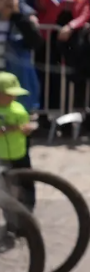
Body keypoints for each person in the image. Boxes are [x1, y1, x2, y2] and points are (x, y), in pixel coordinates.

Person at [0, 73, 33, 206]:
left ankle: (29, 210)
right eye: (8, 94)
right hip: (1, 157)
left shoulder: (19, 109)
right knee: (5, 187)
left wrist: (27, 130)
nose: (13, 97)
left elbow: (25, 129)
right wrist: (8, 129)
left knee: (26, 183)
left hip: (20, 154)